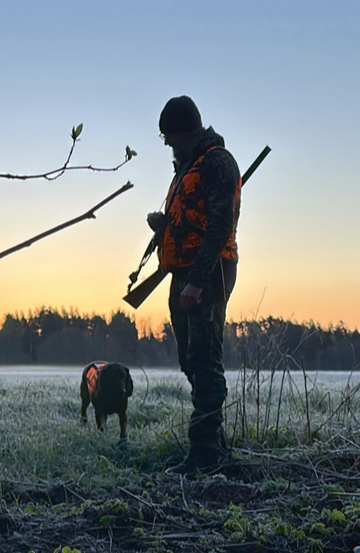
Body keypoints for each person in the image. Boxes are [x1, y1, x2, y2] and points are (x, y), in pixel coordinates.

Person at [147, 96, 242, 473]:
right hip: (184, 271)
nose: (168, 145)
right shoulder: (188, 166)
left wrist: (199, 282)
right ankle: (213, 445)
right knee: (190, 359)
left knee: (205, 361)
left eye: (169, 137)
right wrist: (165, 226)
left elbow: (221, 226)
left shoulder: (218, 162)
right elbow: (195, 219)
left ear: (183, 132)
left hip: (209, 271)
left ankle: (203, 455)